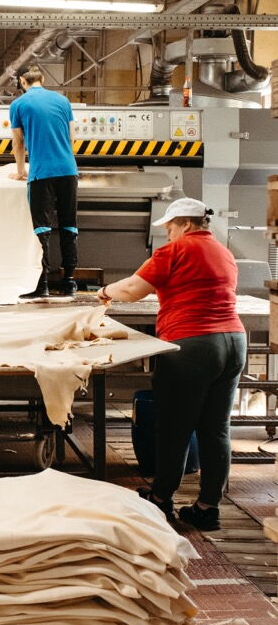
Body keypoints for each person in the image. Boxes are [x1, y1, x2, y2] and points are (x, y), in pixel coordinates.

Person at [98, 197, 246, 531]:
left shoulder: (175, 251)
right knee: (216, 428)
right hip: (234, 342)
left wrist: (104, 291)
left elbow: (134, 290)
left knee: (174, 426)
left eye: (169, 228)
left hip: (192, 345)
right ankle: (208, 508)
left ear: (186, 224)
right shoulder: (224, 251)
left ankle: (161, 498)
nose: (167, 234)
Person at [8, 66, 79, 299]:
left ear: (21, 81)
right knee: (69, 225)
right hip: (68, 171)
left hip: (42, 173)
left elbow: (18, 143)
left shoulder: (18, 105)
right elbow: (72, 138)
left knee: (43, 229)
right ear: (42, 78)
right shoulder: (63, 101)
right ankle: (69, 281)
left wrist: (20, 171)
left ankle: (43, 284)